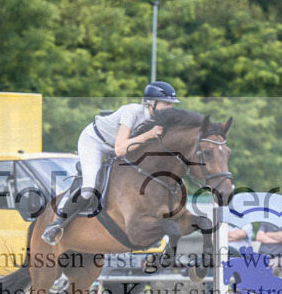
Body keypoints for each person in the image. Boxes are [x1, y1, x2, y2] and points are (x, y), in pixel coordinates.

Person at [41, 81, 179, 245]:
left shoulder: (160, 121)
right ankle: (57, 224)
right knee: (89, 188)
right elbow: (120, 149)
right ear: (151, 103)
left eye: (172, 104)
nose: (170, 108)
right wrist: (148, 135)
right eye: (166, 103)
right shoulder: (131, 111)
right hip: (95, 142)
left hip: (120, 146)